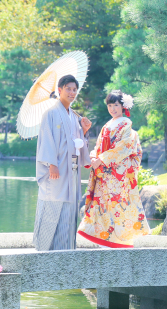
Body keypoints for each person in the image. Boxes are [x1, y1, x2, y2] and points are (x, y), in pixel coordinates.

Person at [77, 90, 149, 248]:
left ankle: (121, 240)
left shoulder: (126, 124)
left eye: (116, 105)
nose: (112, 109)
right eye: (110, 105)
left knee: (118, 206)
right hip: (104, 173)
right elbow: (98, 146)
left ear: (123, 106)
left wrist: (101, 159)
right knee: (102, 205)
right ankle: (103, 237)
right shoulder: (107, 125)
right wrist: (94, 158)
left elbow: (124, 148)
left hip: (117, 175)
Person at [33, 74, 92, 251]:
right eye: (68, 89)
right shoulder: (51, 113)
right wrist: (51, 164)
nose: (72, 92)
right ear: (59, 90)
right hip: (56, 170)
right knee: (52, 204)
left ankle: (64, 249)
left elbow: (77, 144)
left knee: (69, 209)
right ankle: (44, 248)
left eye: (75, 90)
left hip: (71, 170)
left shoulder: (74, 117)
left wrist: (85, 131)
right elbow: (46, 139)